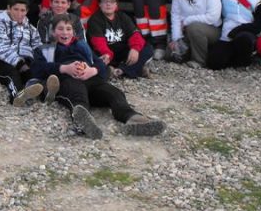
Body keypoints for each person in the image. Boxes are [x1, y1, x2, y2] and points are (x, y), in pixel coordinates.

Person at [33, 14, 165, 139]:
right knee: (77, 95)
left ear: (73, 32)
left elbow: (100, 64)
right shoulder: (45, 49)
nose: (65, 32)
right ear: (53, 32)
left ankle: (134, 120)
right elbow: (37, 69)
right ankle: (84, 123)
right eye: (60, 29)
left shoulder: (82, 46)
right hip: (67, 80)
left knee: (115, 93)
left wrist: (93, 70)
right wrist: (63, 68)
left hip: (91, 79)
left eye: (68, 29)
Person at [0, 0, 47, 107]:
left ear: (27, 11)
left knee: (34, 72)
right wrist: (19, 64)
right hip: (0, 61)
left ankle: (44, 94)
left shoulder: (30, 28)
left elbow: (37, 46)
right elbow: (0, 48)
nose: (19, 14)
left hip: (24, 61)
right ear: (9, 8)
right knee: (12, 74)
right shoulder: (0, 24)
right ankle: (17, 96)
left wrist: (38, 61)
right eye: (16, 9)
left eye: (22, 10)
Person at [206, 0, 261, 70]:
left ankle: (245, 58)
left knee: (243, 40)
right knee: (213, 63)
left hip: (247, 32)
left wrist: (239, 29)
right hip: (227, 34)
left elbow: (260, 24)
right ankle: (233, 56)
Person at [87, 0, 153, 79]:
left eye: (112, 1)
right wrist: (107, 54)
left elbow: (135, 35)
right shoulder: (95, 20)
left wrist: (135, 49)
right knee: (95, 58)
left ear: (116, 5)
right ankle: (134, 70)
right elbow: (99, 44)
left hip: (122, 52)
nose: (108, 4)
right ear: (100, 4)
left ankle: (120, 71)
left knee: (147, 48)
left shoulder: (123, 17)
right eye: (104, 0)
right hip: (106, 54)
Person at [169, 0, 222, 68]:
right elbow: (175, 16)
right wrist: (176, 39)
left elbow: (213, 17)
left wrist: (188, 20)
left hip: (212, 30)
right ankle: (187, 54)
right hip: (187, 29)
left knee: (195, 28)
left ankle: (199, 61)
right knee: (169, 54)